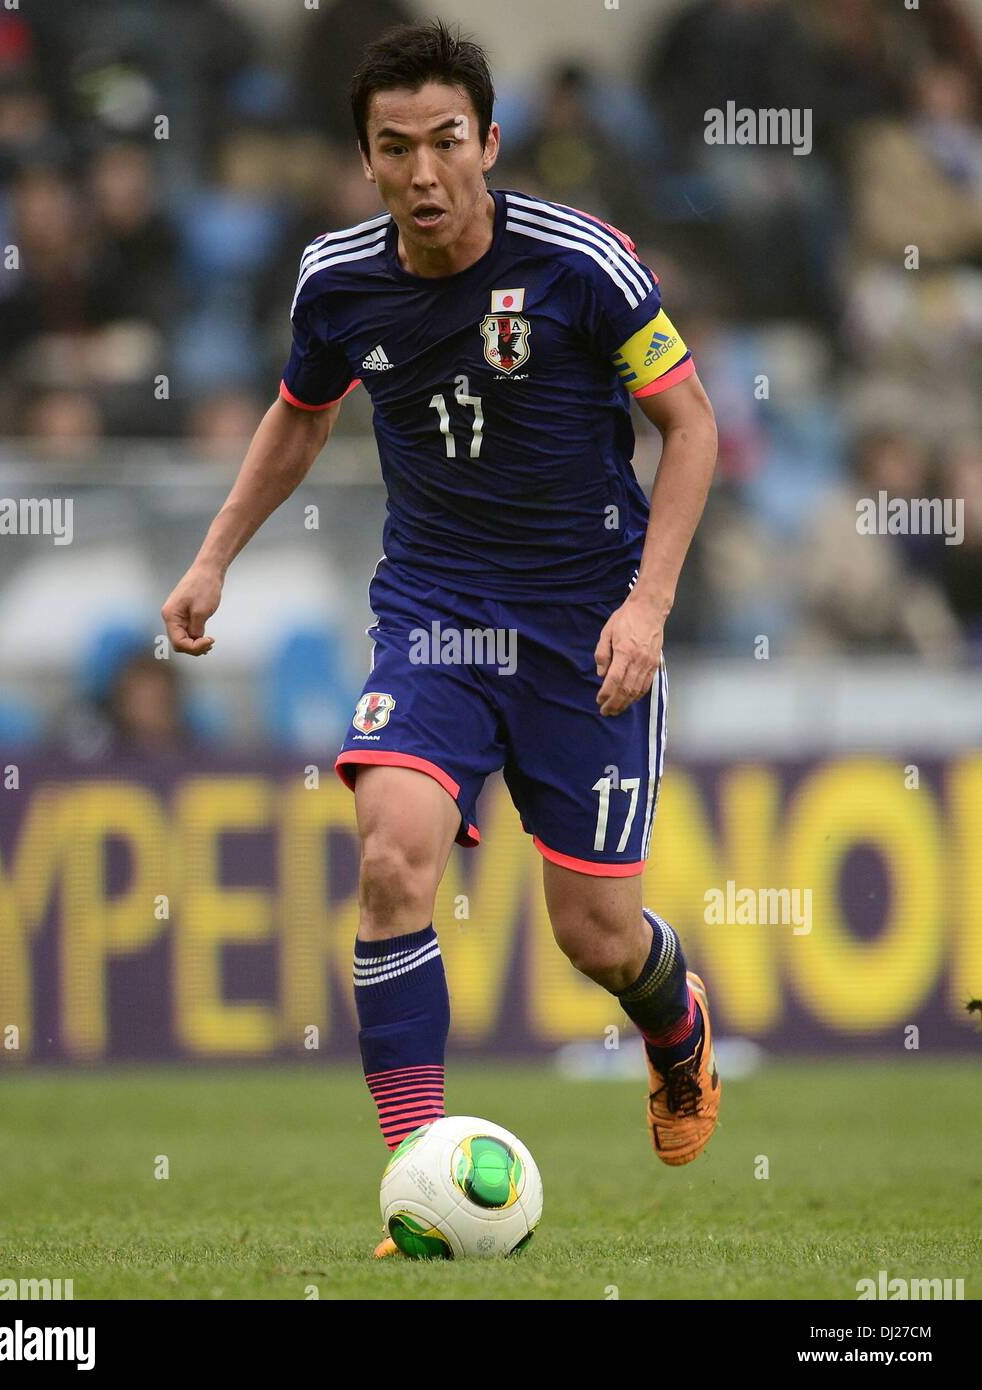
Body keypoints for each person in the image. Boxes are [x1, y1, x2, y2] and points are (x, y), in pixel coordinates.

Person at [161, 20, 720, 1256]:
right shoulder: (336, 281)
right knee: (393, 857)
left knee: (597, 935)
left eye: (446, 143)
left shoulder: (582, 262)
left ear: (490, 142)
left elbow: (691, 428)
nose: (423, 172)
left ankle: (674, 1024)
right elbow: (301, 418)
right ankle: (416, 1178)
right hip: (439, 615)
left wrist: (649, 605)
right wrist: (210, 560)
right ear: (366, 159)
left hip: (589, 627)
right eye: (395, 148)